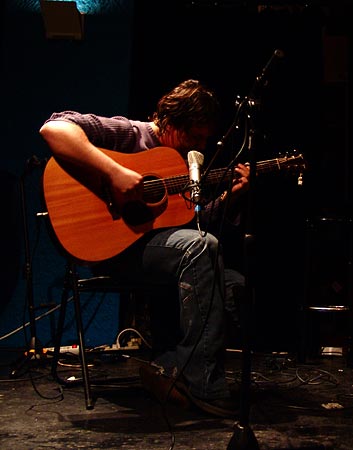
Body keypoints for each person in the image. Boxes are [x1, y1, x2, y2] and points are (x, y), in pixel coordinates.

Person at [39, 79, 250, 418]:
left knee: (217, 262)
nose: (199, 147)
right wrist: (115, 171)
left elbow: (192, 223)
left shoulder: (182, 164)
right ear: (168, 123)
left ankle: (170, 367)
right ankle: (200, 381)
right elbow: (54, 129)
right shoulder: (130, 134)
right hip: (111, 250)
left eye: (203, 139)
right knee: (200, 248)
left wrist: (231, 197)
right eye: (192, 137)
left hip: (155, 252)